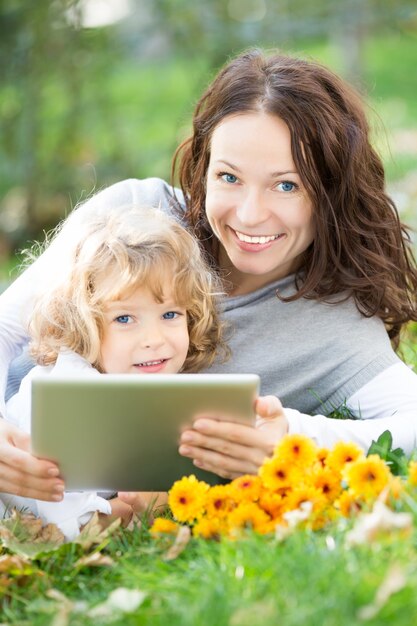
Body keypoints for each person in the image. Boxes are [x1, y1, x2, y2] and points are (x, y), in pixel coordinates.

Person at [0, 48, 417, 498]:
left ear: (331, 191)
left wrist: (293, 440)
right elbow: (7, 326)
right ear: (203, 168)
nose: (250, 214)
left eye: (286, 185)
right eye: (229, 178)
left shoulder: (335, 326)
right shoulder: (135, 216)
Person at [0, 204, 225, 538]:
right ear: (82, 323)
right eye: (124, 319)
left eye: (170, 315)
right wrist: (129, 512)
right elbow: (58, 515)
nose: (154, 340)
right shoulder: (65, 395)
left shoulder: (152, 387)